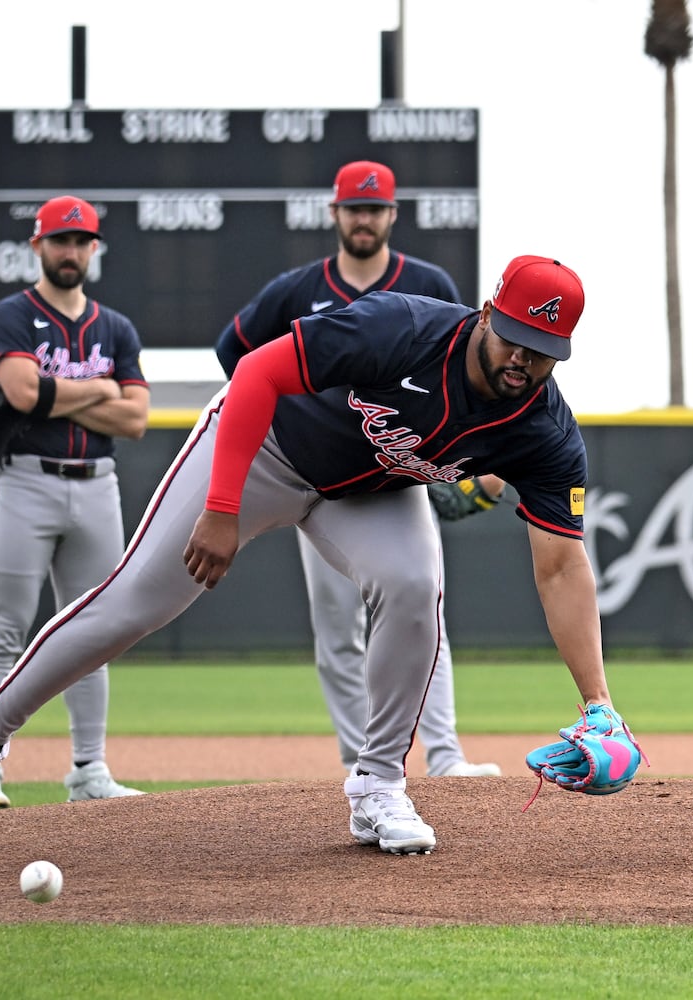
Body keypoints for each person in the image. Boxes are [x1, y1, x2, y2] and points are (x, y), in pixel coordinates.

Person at [0, 253, 621, 857]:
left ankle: (377, 785)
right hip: (266, 449)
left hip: (367, 491)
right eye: (515, 338)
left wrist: (598, 704)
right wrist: (222, 508)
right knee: (135, 603)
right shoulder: (400, 326)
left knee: (412, 585)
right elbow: (256, 372)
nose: (523, 360)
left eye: (543, 349)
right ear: (486, 314)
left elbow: (562, 565)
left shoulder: (542, 430)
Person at [216, 159, 503, 779]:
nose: (365, 218)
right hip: (315, 474)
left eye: (375, 208)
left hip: (396, 472)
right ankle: (359, 760)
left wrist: (466, 462)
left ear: (392, 215)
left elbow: (461, 373)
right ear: (336, 214)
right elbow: (233, 353)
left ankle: (446, 757)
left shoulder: (426, 280)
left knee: (423, 609)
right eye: (355, 208)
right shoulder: (296, 289)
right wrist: (278, 422)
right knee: (337, 627)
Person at [0, 194, 151, 811]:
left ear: (93, 249)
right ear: (38, 246)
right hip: (25, 481)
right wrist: (100, 387)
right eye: (59, 240)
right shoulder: (13, 315)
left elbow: (136, 419)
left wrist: (60, 392)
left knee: (93, 630)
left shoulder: (114, 326)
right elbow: (19, 392)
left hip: (98, 481)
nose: (70, 251)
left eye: (81, 241)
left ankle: (89, 769)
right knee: (5, 631)